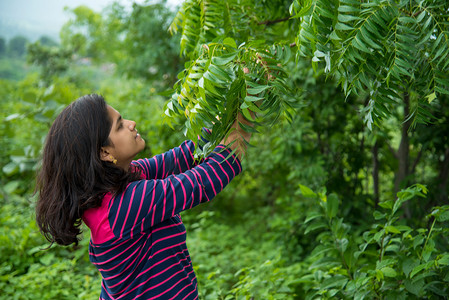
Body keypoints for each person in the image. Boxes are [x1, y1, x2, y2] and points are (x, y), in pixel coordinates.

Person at [35, 94, 252, 299]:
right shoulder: (125, 205)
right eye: (120, 126)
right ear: (104, 153)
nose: (131, 124)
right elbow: (205, 180)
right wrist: (248, 108)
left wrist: (233, 98)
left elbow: (185, 156)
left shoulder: (119, 181)